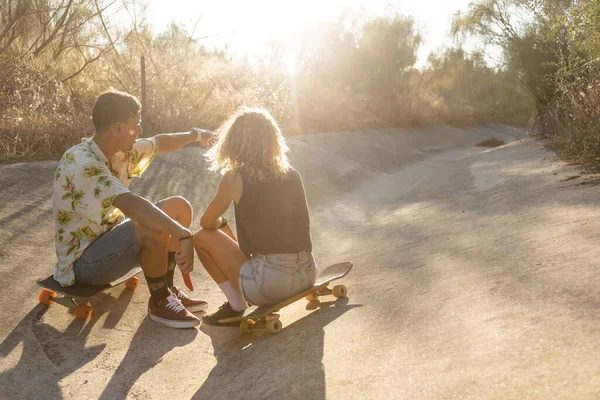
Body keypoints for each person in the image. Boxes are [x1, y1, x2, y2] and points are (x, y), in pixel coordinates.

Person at [52, 89, 213, 329]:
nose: (139, 130)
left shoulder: (118, 151)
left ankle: (166, 289)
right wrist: (183, 233)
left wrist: (196, 135)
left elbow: (159, 143)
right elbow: (133, 207)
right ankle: (159, 302)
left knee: (178, 207)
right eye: (135, 125)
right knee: (149, 223)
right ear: (118, 127)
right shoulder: (82, 164)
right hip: (83, 265)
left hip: (108, 242)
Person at [183, 107, 318, 325]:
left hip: (272, 284)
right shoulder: (292, 173)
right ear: (272, 139)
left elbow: (206, 223)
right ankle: (242, 299)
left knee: (201, 237)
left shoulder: (234, 177)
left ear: (234, 142)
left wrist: (221, 223)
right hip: (308, 272)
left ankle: (236, 306)